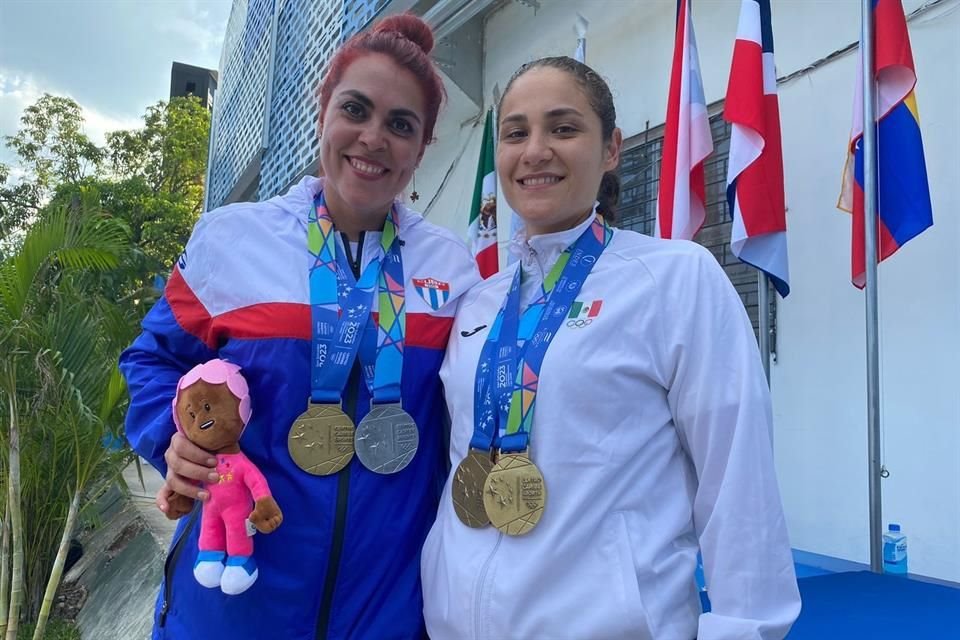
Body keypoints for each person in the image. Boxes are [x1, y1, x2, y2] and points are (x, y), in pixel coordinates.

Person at [120, 14, 479, 640]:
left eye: (401, 125)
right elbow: (152, 360)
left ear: (422, 149)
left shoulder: (453, 270)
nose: (373, 138)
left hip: (387, 613)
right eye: (356, 110)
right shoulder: (232, 241)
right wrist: (170, 436)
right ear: (323, 113)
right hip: (230, 601)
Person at [421, 56, 801, 640]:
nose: (536, 150)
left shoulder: (675, 278)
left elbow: (737, 478)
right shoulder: (478, 302)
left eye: (564, 127)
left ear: (612, 149)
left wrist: (744, 628)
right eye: (516, 132)